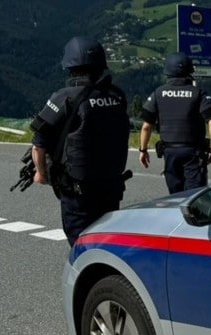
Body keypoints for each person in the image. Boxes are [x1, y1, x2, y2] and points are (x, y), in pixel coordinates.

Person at [30, 36, 130, 246]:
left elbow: (39, 140)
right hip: (111, 186)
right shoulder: (117, 95)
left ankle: (87, 278)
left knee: (81, 244)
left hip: (78, 190)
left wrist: (41, 173)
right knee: (107, 240)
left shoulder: (64, 97)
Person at [138, 52, 211, 194]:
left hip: (169, 152)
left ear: (167, 73)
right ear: (189, 72)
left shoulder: (158, 93)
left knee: (175, 196)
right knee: (194, 197)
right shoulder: (198, 93)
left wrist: (143, 150)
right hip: (193, 152)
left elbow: (146, 126)